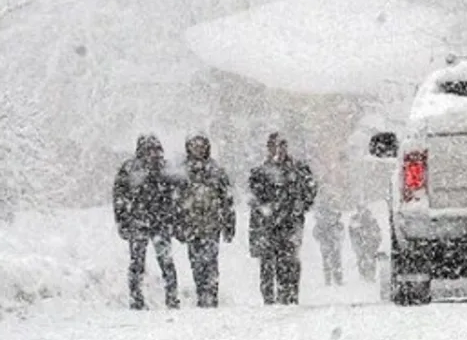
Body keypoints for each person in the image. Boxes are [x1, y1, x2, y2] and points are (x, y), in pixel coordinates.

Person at [249, 132, 318, 305]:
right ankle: (269, 298)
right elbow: (255, 197)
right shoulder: (260, 172)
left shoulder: (298, 169)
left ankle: (289, 296)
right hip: (268, 224)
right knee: (267, 262)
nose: (278, 151)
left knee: (289, 261)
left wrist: (301, 205)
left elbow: (310, 189)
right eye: (274, 146)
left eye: (281, 146)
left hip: (290, 223)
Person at [113, 134, 179, 310]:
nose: (153, 154)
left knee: (166, 262)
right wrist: (122, 221)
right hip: (139, 222)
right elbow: (119, 197)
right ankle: (136, 299)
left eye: (156, 149)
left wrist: (173, 217)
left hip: (160, 223)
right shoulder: (130, 169)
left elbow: (176, 196)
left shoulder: (165, 169)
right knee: (137, 263)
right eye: (149, 150)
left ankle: (172, 298)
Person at [174, 133, 235, 308]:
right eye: (194, 146)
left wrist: (229, 224)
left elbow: (227, 199)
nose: (198, 149)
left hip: (211, 225)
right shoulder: (182, 172)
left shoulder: (216, 171)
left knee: (211, 261)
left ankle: (211, 295)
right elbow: (175, 201)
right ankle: (201, 294)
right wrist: (178, 224)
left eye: (201, 146)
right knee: (196, 263)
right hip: (191, 225)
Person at [313, 201, 345, 286]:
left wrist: (337, 239)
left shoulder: (337, 224)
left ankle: (336, 280)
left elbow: (341, 233)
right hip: (327, 245)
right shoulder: (322, 224)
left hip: (333, 245)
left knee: (335, 262)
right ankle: (331, 280)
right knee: (330, 262)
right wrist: (323, 238)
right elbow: (316, 234)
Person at [349, 205, 382, 282]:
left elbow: (377, 231)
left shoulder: (369, 219)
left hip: (369, 243)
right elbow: (352, 232)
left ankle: (368, 276)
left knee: (368, 259)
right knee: (365, 259)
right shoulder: (356, 219)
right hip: (364, 243)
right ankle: (366, 276)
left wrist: (376, 241)